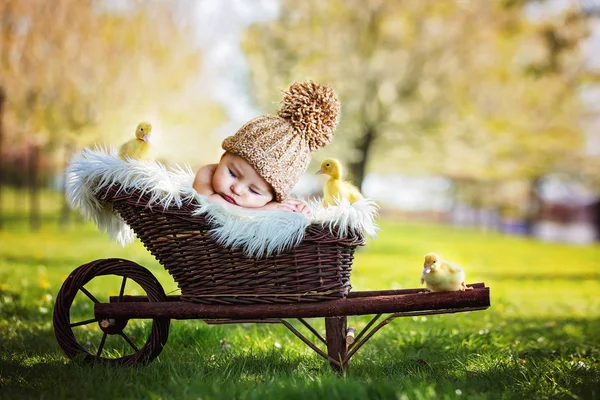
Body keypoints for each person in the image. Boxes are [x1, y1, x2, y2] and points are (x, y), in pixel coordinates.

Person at [193, 80, 340, 215]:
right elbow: (209, 203)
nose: (237, 189)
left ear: (274, 198)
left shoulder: (275, 203)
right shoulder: (207, 173)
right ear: (224, 156)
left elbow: (287, 211)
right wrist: (263, 210)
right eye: (232, 173)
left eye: (254, 191)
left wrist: (298, 209)